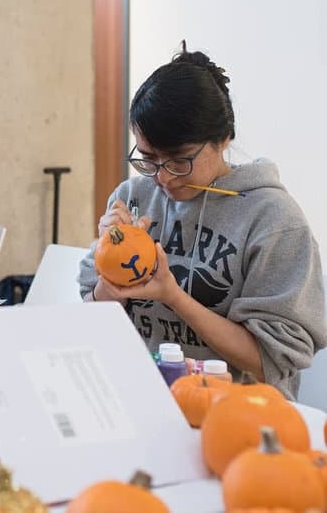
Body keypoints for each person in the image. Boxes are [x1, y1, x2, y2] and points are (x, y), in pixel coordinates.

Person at [79, 43, 326, 399]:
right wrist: (110, 278)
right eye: (148, 159)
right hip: (145, 398)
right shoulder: (132, 197)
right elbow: (93, 321)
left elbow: (267, 361)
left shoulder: (274, 220)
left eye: (179, 160)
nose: (163, 177)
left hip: (240, 413)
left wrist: (173, 296)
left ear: (223, 139)